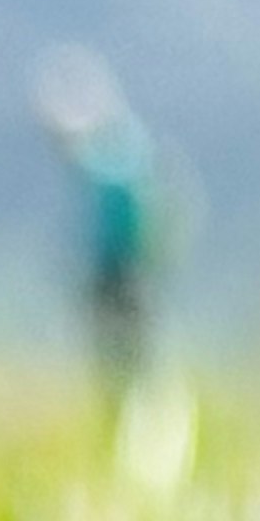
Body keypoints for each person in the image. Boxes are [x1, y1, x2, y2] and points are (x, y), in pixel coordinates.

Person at [32, 44, 177, 380]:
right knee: (127, 345)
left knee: (120, 345)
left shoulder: (110, 155)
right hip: (131, 269)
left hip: (120, 271)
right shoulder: (129, 148)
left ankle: (130, 398)